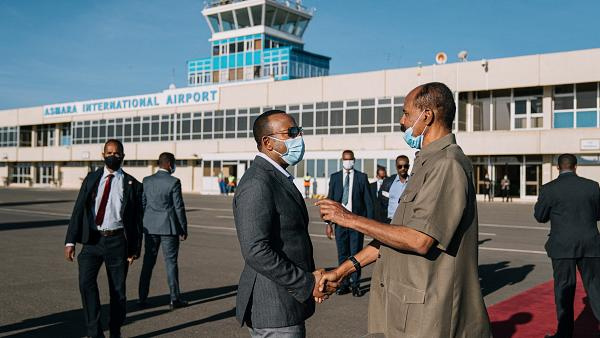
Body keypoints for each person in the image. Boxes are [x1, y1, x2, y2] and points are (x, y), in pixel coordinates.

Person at [317, 82, 491, 337]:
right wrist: (343, 271)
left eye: (407, 113)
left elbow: (419, 240)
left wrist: (350, 219)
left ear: (427, 115)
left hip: (430, 313)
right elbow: (393, 236)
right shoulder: (426, 162)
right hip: (406, 305)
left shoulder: (447, 165)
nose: (402, 120)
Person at [233, 109, 336, 338]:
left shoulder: (276, 176)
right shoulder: (258, 182)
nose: (299, 137)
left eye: (299, 131)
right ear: (268, 142)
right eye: (291, 133)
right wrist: (307, 282)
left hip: (284, 303)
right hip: (274, 308)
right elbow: (256, 250)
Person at [64, 139, 143, 338]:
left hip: (118, 242)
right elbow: (78, 210)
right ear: (102, 155)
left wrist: (134, 249)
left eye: (116, 153)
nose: (112, 156)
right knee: (85, 284)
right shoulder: (92, 179)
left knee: (118, 292)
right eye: (109, 152)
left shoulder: (132, 184)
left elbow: (136, 220)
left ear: (123, 156)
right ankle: (94, 332)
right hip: (92, 240)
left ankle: (115, 330)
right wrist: (70, 241)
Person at [534, 153, 600, 338]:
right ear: (575, 167)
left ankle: (564, 334)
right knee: (596, 288)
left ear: (558, 168)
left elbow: (540, 216)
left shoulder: (549, 189)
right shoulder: (592, 186)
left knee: (564, 289)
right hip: (590, 244)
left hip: (562, 246)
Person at [138, 152, 189, 311]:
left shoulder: (147, 181)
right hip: (168, 227)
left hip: (150, 226)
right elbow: (178, 207)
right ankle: (174, 298)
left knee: (148, 262)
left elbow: (143, 204)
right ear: (169, 164)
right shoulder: (174, 182)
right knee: (171, 263)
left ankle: (142, 297)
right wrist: (183, 227)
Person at [325, 150, 374, 297]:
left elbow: (368, 202)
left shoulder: (361, 177)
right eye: (345, 159)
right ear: (342, 160)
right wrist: (328, 223)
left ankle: (355, 284)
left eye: (350, 159)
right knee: (342, 254)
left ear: (354, 160)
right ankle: (343, 284)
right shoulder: (335, 178)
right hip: (339, 223)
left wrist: (369, 225)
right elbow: (330, 200)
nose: (348, 162)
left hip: (355, 222)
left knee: (356, 254)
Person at [379, 155, 410, 224]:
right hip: (390, 221)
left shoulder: (413, 182)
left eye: (405, 166)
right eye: (400, 166)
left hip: (407, 222)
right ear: (396, 166)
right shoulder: (387, 182)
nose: (403, 168)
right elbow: (381, 203)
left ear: (409, 166)